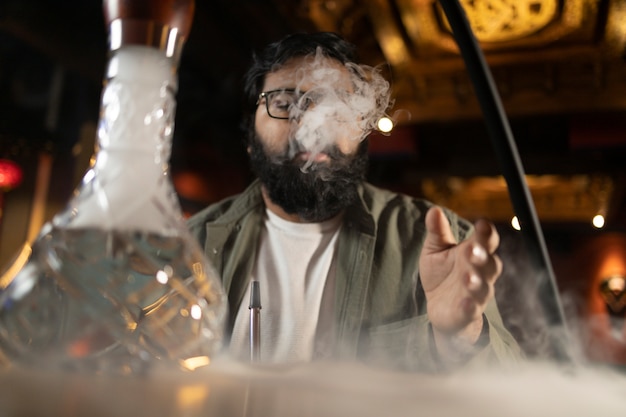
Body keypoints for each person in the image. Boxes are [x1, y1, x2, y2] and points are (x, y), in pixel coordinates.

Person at [187, 32, 523, 372]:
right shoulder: (187, 246)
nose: (310, 125)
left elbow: (514, 395)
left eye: (334, 104)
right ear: (249, 137)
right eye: (285, 104)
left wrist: (461, 339)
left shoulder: (438, 241)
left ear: (362, 131)